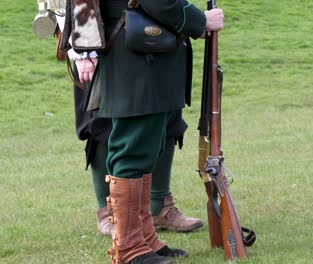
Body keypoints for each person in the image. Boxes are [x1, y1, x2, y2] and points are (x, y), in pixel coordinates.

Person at [70, 0, 224, 263]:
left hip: (144, 50)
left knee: (143, 149)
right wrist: (199, 20)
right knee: (132, 149)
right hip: (139, 55)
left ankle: (143, 237)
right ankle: (130, 247)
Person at [73, 79, 204, 236]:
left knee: (166, 112)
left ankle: (159, 206)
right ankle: (108, 213)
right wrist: (84, 54)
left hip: (159, 58)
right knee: (103, 119)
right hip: (103, 58)